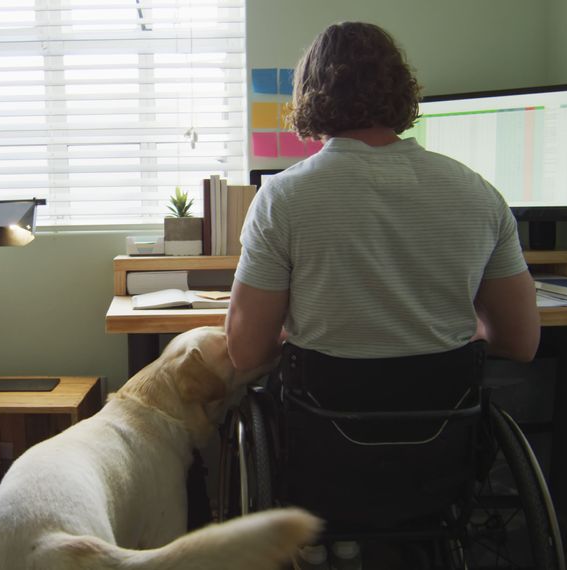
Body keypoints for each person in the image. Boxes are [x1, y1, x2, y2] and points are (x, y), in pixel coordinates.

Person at [225, 21, 539, 372]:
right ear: (402, 89)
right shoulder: (480, 194)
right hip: (443, 419)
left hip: (322, 421)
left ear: (308, 96)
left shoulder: (281, 199)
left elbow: (247, 353)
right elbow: (521, 343)